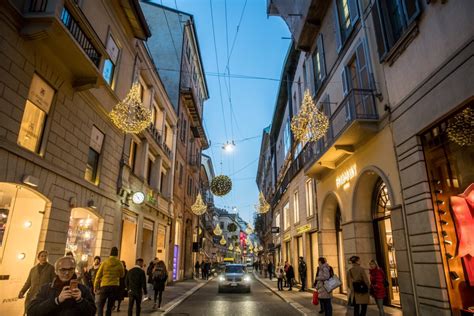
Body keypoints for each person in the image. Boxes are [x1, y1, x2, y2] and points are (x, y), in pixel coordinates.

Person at [27, 256, 96, 316]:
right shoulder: (46, 289)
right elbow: (31, 312)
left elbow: (92, 312)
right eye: (63, 269)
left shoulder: (83, 289)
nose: (67, 273)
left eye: (70, 269)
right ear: (56, 271)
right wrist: (56, 300)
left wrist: (80, 300)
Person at [94, 246, 125, 316]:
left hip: (104, 285)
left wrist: (95, 286)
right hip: (114, 286)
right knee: (109, 307)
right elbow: (122, 275)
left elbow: (98, 276)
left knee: (100, 305)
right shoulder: (120, 263)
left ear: (110, 253)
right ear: (117, 254)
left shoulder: (105, 263)